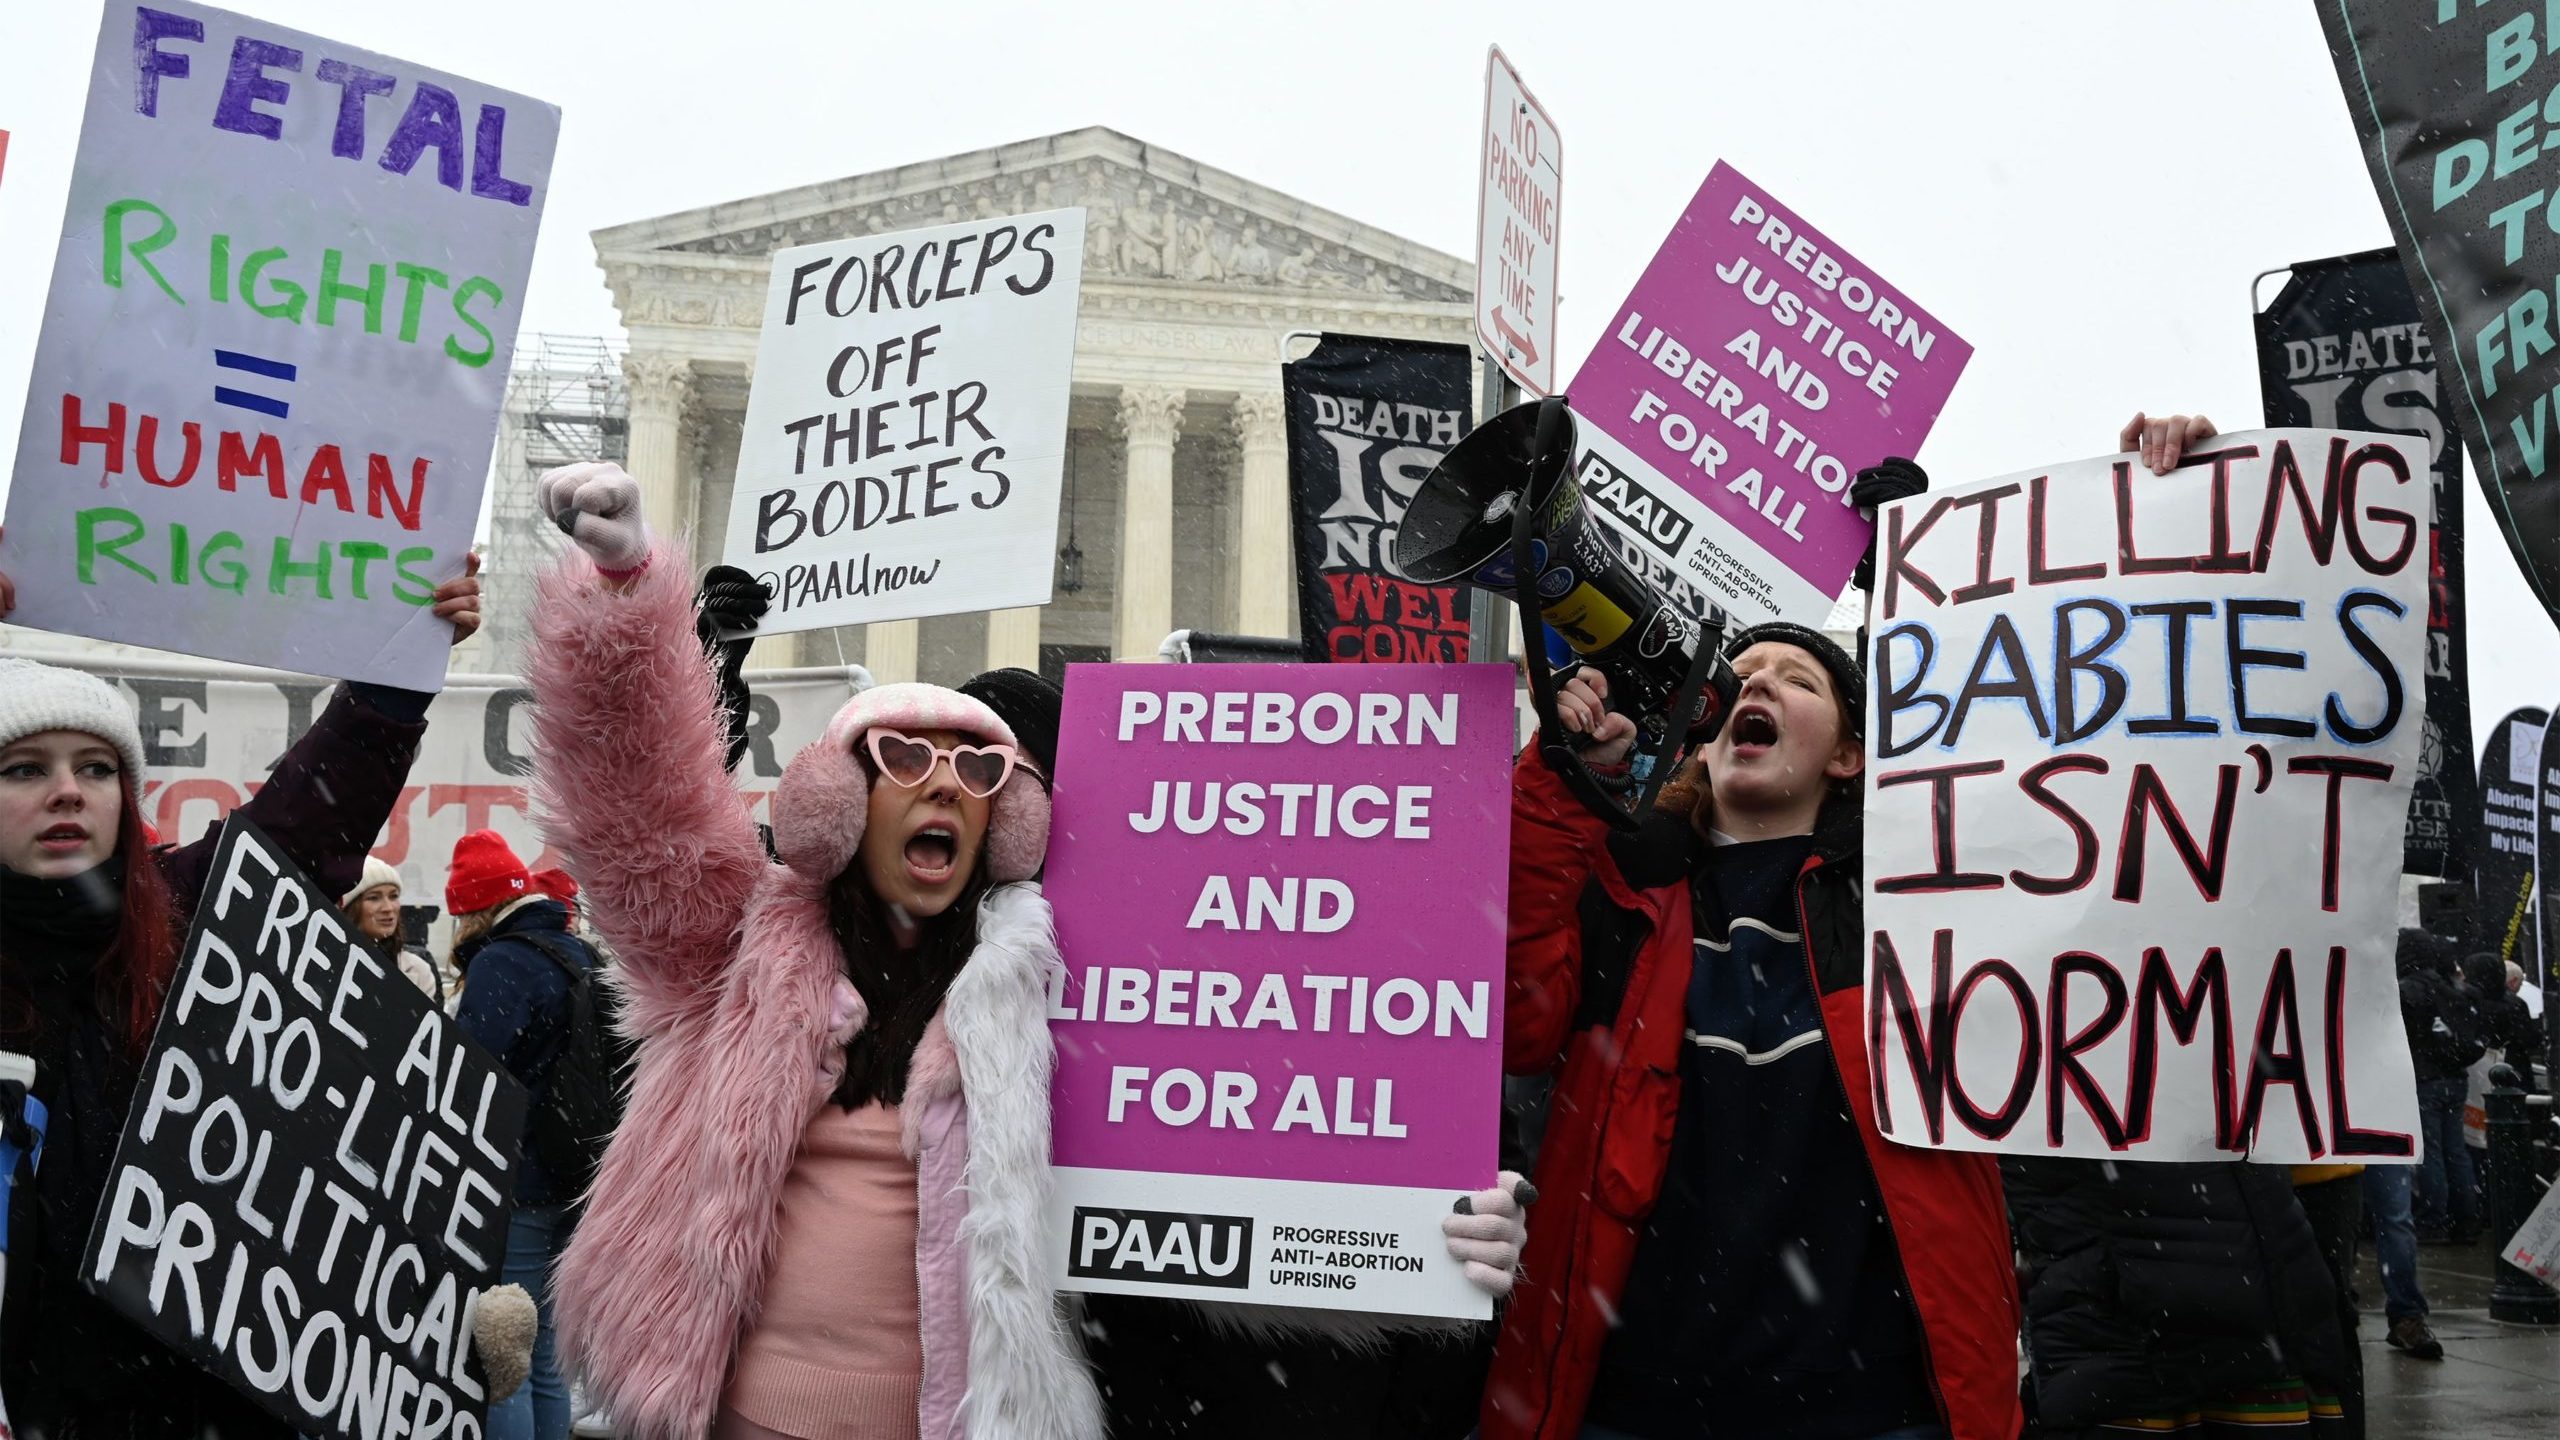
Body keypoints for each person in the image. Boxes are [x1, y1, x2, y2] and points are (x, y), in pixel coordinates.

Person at [525, 461, 1102, 1440]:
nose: (945, 789)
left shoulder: (1051, 987)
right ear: (838, 806)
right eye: (906, 760)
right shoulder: (738, 955)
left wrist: (1440, 1229)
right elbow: (636, 813)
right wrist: (627, 604)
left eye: (978, 770)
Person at [950, 666, 1530, 1439]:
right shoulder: (927, 964)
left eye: (998, 772)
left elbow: (1437, 1105)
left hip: (1280, 1386)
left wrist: (1472, 1210)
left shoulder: (1301, 957)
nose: (966, 799)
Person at [1486, 607, 2023, 1440]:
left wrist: (1915, 594)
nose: (1758, 681)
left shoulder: (1913, 900)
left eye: (1799, 679)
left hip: (1875, 1408)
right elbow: (1517, 1025)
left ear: (1848, 756)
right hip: (1634, 1402)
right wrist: (1562, 786)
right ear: (1703, 729)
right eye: (1739, 672)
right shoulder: (1623, 883)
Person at [0, 550, 488, 1437]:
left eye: (96, 768)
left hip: (188, 1397)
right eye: (24, 769)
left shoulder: (183, 912)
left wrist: (399, 669)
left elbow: (308, 819)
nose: (68, 790)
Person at [446, 828, 601, 1440]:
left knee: (502, 1357)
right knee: (546, 1358)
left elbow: (474, 1072)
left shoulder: (501, 962)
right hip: (580, 1175)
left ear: (476, 910)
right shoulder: (577, 953)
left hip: (520, 1181)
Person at [2397, 928, 2484, 1243]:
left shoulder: (2406, 990)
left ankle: (2434, 1221)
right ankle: (2466, 1218)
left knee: (2430, 1153)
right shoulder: (2453, 988)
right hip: (2454, 1077)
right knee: (2455, 1151)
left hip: (2424, 1078)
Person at [343, 852, 442, 1002]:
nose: (388, 907)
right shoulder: (326, 964)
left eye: (394, 896)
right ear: (351, 908)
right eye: (374, 898)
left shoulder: (419, 970)